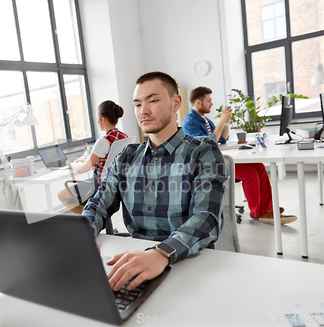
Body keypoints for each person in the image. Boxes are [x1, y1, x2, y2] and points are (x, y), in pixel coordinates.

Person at [82, 72, 228, 292]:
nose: (144, 111)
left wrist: (161, 253)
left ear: (175, 102)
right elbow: (98, 205)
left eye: (153, 100)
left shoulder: (203, 151)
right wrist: (83, 234)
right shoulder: (126, 156)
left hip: (188, 263)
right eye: (138, 104)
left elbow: (206, 217)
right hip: (138, 263)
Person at [182, 86, 297, 224]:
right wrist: (221, 120)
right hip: (208, 165)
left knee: (259, 167)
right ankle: (257, 212)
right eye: (209, 101)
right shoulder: (189, 123)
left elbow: (222, 139)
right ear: (199, 102)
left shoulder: (204, 120)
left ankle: (266, 209)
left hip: (216, 159)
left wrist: (226, 122)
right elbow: (209, 142)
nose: (212, 104)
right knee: (249, 174)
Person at [57, 100, 127, 214]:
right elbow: (107, 160)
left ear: (102, 119)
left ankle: (90, 216)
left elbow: (84, 169)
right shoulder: (124, 137)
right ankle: (93, 214)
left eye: (97, 118)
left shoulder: (103, 141)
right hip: (115, 185)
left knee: (61, 195)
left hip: (98, 186)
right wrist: (86, 160)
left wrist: (71, 164)